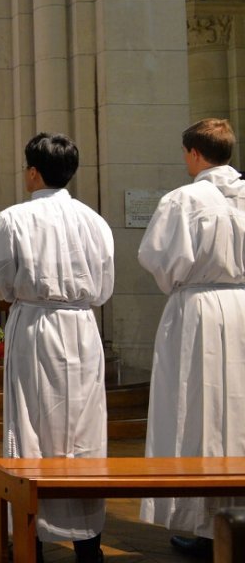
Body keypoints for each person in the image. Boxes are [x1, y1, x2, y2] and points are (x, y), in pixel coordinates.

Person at [0, 132, 114, 563]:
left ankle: (31, 537)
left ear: (33, 172)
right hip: (82, 327)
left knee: (32, 424)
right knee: (85, 428)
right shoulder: (95, 221)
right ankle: (88, 542)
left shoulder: (12, 219)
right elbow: (105, 284)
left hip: (34, 325)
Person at [138, 118, 245, 556]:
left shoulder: (183, 199)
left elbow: (159, 259)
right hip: (243, 306)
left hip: (199, 311)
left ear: (194, 154)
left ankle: (199, 523)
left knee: (194, 410)